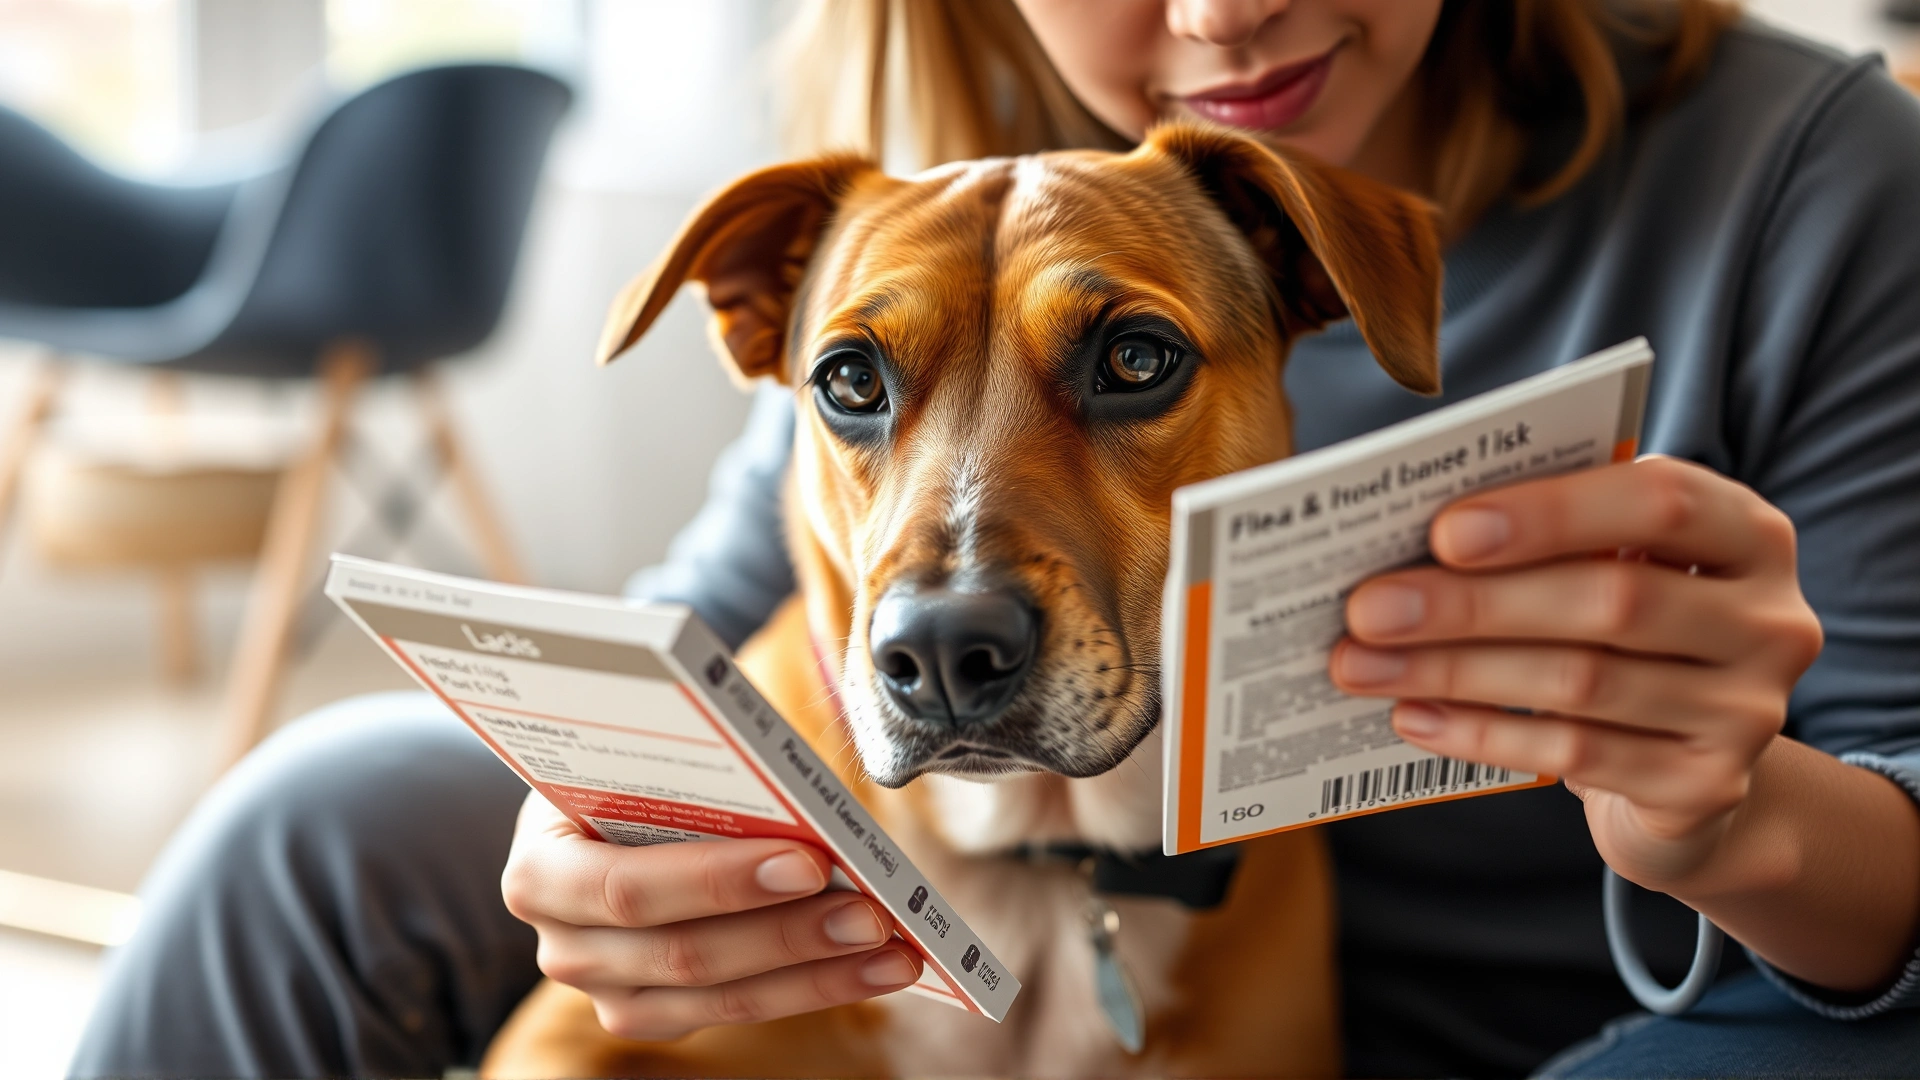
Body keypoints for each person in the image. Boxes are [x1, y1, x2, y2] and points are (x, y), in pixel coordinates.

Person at [69, 1, 1920, 1077]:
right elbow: (730, 618)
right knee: (327, 813)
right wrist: (597, 831)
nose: (1222, 12)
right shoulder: (952, 185)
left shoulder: (1808, 180)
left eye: (1126, 361)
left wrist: (1735, 816)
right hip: (937, 894)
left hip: (1586, 1007)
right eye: (866, 385)